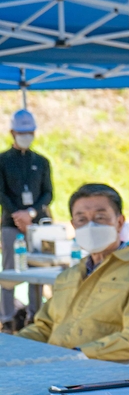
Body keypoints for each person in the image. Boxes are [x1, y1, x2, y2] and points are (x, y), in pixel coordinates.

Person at [17, 184, 129, 360]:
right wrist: (13, 345)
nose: (91, 225)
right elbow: (44, 327)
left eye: (100, 217)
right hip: (54, 369)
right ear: (74, 225)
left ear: (119, 222)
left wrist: (78, 355)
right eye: (82, 219)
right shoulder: (69, 275)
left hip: (104, 378)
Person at [0, 109, 52, 332]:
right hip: (12, 224)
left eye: (29, 132)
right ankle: (8, 317)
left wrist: (30, 214)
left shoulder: (40, 161)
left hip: (36, 224)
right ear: (12, 132)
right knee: (10, 271)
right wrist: (17, 215)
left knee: (36, 270)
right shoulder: (3, 160)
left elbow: (48, 193)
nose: (26, 135)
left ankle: (35, 315)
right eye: (22, 132)